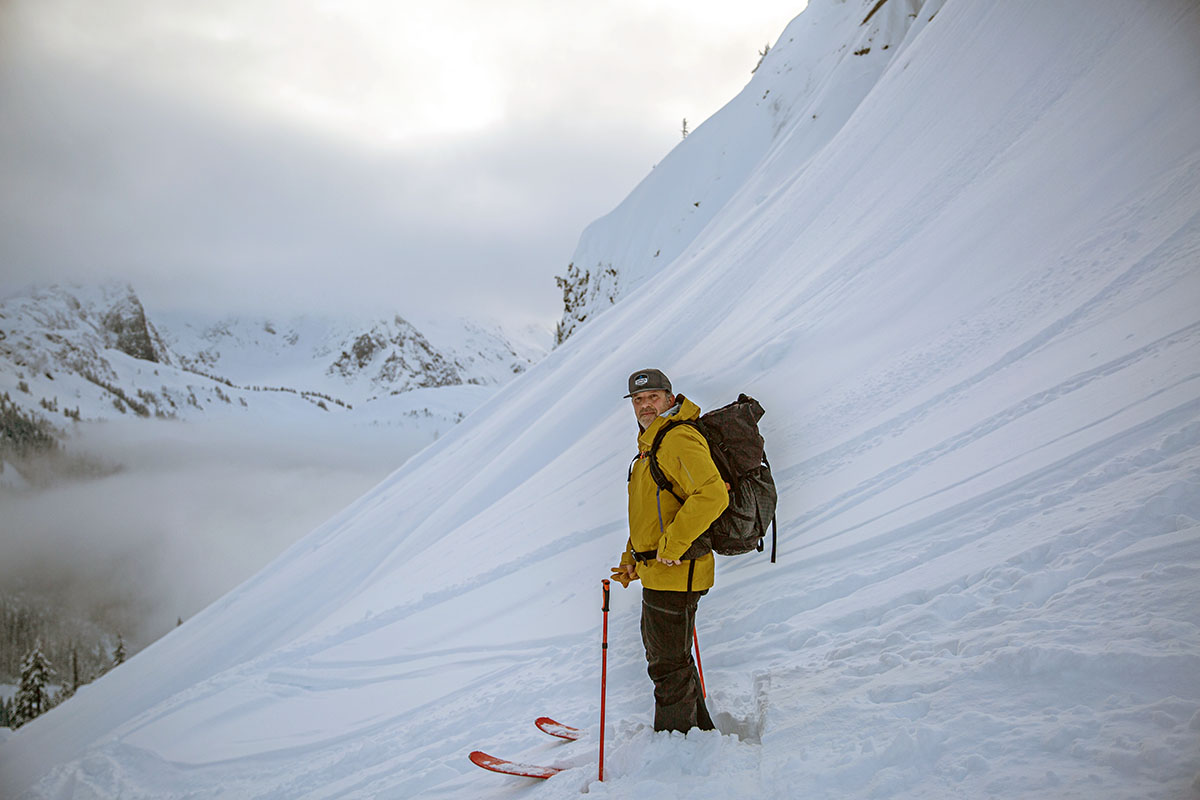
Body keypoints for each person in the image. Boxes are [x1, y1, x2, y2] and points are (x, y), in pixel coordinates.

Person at [611, 368, 728, 733]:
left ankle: (678, 744)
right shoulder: (650, 444)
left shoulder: (676, 439)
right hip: (662, 570)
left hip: (679, 571)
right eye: (638, 400)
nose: (645, 405)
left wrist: (673, 545)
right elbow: (654, 512)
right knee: (673, 660)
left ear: (669, 398)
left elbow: (713, 494)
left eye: (653, 398)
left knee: (666, 665)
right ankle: (698, 734)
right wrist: (633, 559)